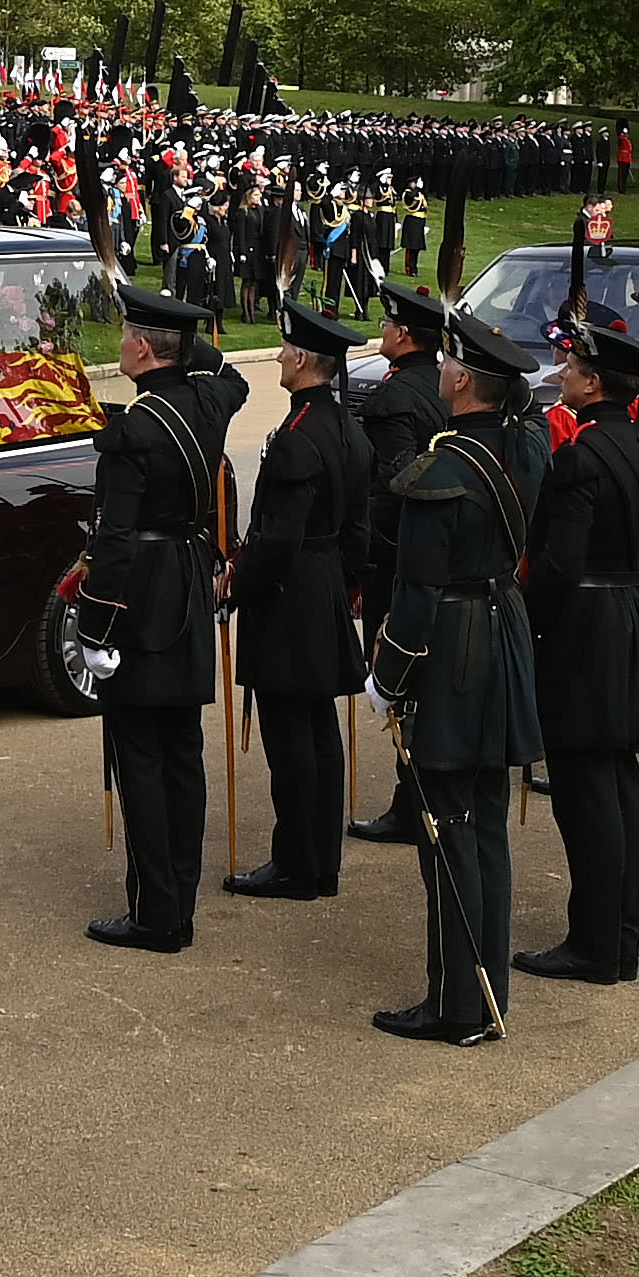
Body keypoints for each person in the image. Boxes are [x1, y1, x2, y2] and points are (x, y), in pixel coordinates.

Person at [367, 311, 546, 1044]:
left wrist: (388, 674)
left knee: (446, 831)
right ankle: (482, 990)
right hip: (502, 630)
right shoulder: (524, 447)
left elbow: (415, 593)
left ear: (465, 378)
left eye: (447, 363)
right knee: (486, 825)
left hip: (455, 650)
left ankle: (457, 1005)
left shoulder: (440, 471)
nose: (439, 370)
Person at [76, 277, 246, 955]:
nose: (119, 342)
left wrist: (94, 628)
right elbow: (225, 373)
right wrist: (186, 338)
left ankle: (156, 914)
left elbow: (113, 539)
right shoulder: (210, 401)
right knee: (181, 752)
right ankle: (177, 894)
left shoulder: (133, 432)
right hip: (186, 582)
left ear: (144, 348)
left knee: (141, 755)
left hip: (142, 592)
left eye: (127, 335)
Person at [521, 307, 639, 984]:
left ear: (591, 382)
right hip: (631, 613)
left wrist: (527, 621)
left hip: (585, 621)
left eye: (573, 370)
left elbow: (557, 562)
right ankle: (621, 934)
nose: (564, 377)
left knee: (584, 788)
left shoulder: (579, 457)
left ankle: (593, 941)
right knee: (617, 781)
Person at [222, 292, 367, 903]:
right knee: (318, 731)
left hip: (292, 595)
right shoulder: (348, 429)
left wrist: (240, 581)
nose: (279, 356)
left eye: (286, 348)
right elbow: (358, 526)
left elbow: (279, 538)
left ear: (306, 361)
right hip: (327, 581)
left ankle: (297, 865)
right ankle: (320, 861)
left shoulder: (297, 438)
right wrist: (349, 582)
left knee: (291, 735)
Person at [339, 282, 448, 848]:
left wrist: (366, 559)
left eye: (386, 324)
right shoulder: (442, 385)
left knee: (401, 681)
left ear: (403, 334)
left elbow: (389, 488)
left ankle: (413, 804)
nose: (382, 331)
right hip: (440, 554)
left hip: (401, 558)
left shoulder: (391, 400)